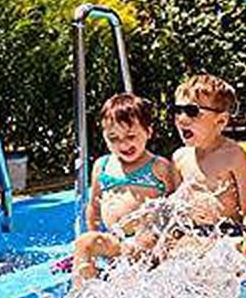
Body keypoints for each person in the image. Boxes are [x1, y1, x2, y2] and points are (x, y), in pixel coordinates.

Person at [71, 93, 178, 288]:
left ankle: (126, 288)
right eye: (114, 138)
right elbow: (94, 205)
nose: (123, 144)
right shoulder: (102, 166)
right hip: (116, 241)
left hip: (148, 242)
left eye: (131, 136)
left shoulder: (158, 167)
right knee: (84, 243)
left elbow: (176, 207)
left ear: (148, 132)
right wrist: (94, 239)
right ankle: (83, 295)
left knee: (144, 240)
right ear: (105, 136)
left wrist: (167, 242)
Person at [169, 73, 246, 258]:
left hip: (228, 235)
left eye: (192, 111)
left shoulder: (233, 155)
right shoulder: (179, 158)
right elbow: (177, 212)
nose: (181, 118)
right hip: (195, 234)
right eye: (177, 110)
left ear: (221, 121)